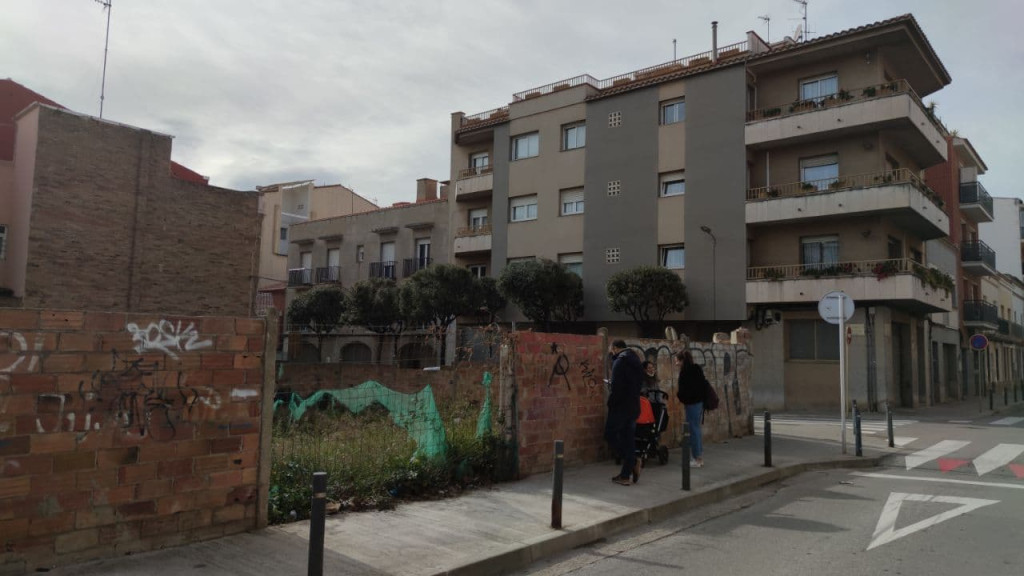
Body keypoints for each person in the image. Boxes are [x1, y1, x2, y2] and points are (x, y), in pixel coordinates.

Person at [606, 339, 643, 485]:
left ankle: (632, 461)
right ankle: (626, 475)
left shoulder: (619, 362)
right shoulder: (636, 360)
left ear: (615, 348)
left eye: (610, 349)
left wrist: (611, 403)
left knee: (610, 434)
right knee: (628, 438)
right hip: (634, 405)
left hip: (620, 407)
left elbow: (616, 388)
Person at [675, 349, 705, 468]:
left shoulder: (685, 372)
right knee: (696, 429)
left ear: (682, 361)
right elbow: (703, 384)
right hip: (698, 402)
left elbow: (682, 391)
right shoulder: (697, 368)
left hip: (691, 403)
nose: (676, 363)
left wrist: (681, 397)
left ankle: (697, 458)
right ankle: (699, 457)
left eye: (677, 361)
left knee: (693, 430)